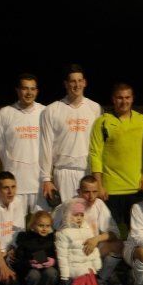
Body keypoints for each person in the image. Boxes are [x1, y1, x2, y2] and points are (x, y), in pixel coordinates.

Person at [89, 83, 143, 227]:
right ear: (113, 99)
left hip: (137, 188)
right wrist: (99, 185)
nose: (124, 101)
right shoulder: (102, 122)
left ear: (132, 98)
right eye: (120, 98)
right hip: (111, 190)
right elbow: (95, 154)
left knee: (137, 233)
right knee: (111, 234)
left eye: (127, 97)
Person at [40, 64, 101, 203]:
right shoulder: (52, 110)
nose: (77, 85)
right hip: (63, 172)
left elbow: (98, 144)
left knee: (86, 213)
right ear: (66, 84)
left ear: (85, 82)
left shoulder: (95, 108)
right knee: (66, 213)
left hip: (87, 171)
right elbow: (46, 146)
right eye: (73, 81)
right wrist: (46, 178)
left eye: (80, 81)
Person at [52, 176, 124, 285]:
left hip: (93, 248)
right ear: (79, 191)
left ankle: (101, 279)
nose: (91, 196)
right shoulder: (68, 205)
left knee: (118, 245)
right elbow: (53, 227)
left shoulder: (99, 204)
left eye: (95, 192)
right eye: (87, 192)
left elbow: (114, 233)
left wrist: (96, 239)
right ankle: (72, 277)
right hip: (73, 251)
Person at [0, 73, 46, 214]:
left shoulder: (45, 112)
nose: (29, 93)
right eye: (25, 88)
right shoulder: (5, 113)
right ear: (18, 90)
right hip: (15, 183)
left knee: (42, 223)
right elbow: (1, 147)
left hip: (39, 182)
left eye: (32, 89)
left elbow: (50, 146)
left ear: (37, 91)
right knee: (15, 225)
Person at [56, 199, 104, 285]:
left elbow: (93, 248)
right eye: (75, 215)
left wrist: (96, 263)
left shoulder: (87, 229)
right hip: (73, 264)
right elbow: (62, 256)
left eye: (81, 215)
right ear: (68, 216)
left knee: (90, 276)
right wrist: (64, 274)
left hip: (87, 263)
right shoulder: (63, 233)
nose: (79, 218)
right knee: (81, 276)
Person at [14, 211, 58, 285]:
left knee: (51, 272)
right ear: (33, 225)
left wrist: (53, 261)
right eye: (41, 225)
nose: (44, 229)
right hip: (30, 269)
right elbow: (19, 259)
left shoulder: (51, 239)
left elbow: (57, 257)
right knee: (34, 274)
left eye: (47, 226)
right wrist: (29, 263)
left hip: (47, 267)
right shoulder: (26, 239)